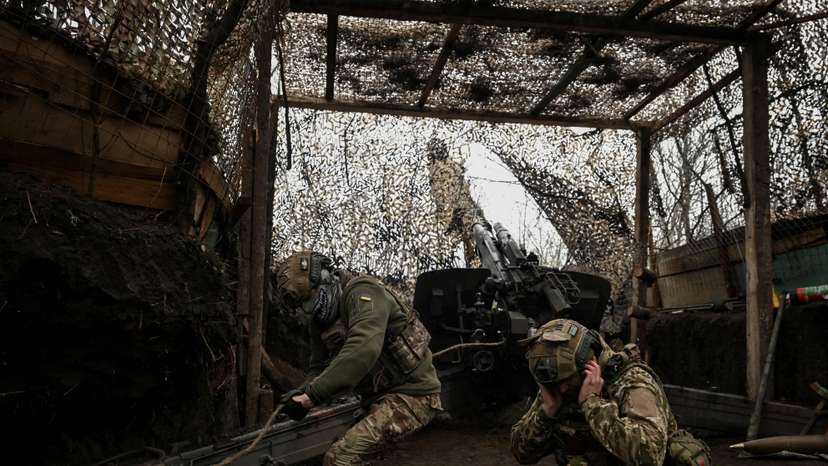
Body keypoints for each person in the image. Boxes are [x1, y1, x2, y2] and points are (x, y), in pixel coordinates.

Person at [276, 251, 442, 466]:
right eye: (300, 306)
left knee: (339, 458)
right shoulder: (319, 321)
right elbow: (317, 367)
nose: (306, 311)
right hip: (376, 400)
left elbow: (363, 349)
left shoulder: (362, 291)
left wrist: (312, 396)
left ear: (325, 279)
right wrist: (302, 392)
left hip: (413, 396)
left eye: (308, 300)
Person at [511, 318, 710, 466]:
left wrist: (592, 403)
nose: (561, 389)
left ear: (589, 364)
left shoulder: (632, 381)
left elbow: (650, 454)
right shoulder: (557, 384)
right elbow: (522, 454)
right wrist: (546, 412)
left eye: (566, 382)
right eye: (555, 383)